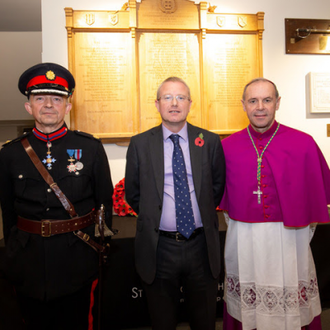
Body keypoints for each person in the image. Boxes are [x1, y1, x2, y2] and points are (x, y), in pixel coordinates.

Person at [0, 63, 113, 330]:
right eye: (40, 98)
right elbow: (7, 210)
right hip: (28, 261)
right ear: (29, 107)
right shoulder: (10, 154)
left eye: (56, 98)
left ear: (68, 107)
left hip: (77, 260)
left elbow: (103, 203)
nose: (48, 104)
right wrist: (15, 251)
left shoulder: (91, 148)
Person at [220, 78, 330, 330]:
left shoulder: (303, 144)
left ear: (277, 103)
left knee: (290, 291)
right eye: (253, 101)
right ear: (243, 105)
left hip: (289, 238)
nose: (260, 107)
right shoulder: (226, 147)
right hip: (245, 238)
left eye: (267, 100)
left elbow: (317, 194)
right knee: (249, 299)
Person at [125, 76, 226, 330]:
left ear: (190, 103)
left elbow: (217, 187)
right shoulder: (140, 144)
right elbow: (133, 193)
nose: (174, 103)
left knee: (204, 320)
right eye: (167, 97)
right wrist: (157, 217)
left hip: (201, 247)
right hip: (159, 247)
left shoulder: (210, 141)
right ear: (157, 104)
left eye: (181, 97)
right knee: (162, 321)